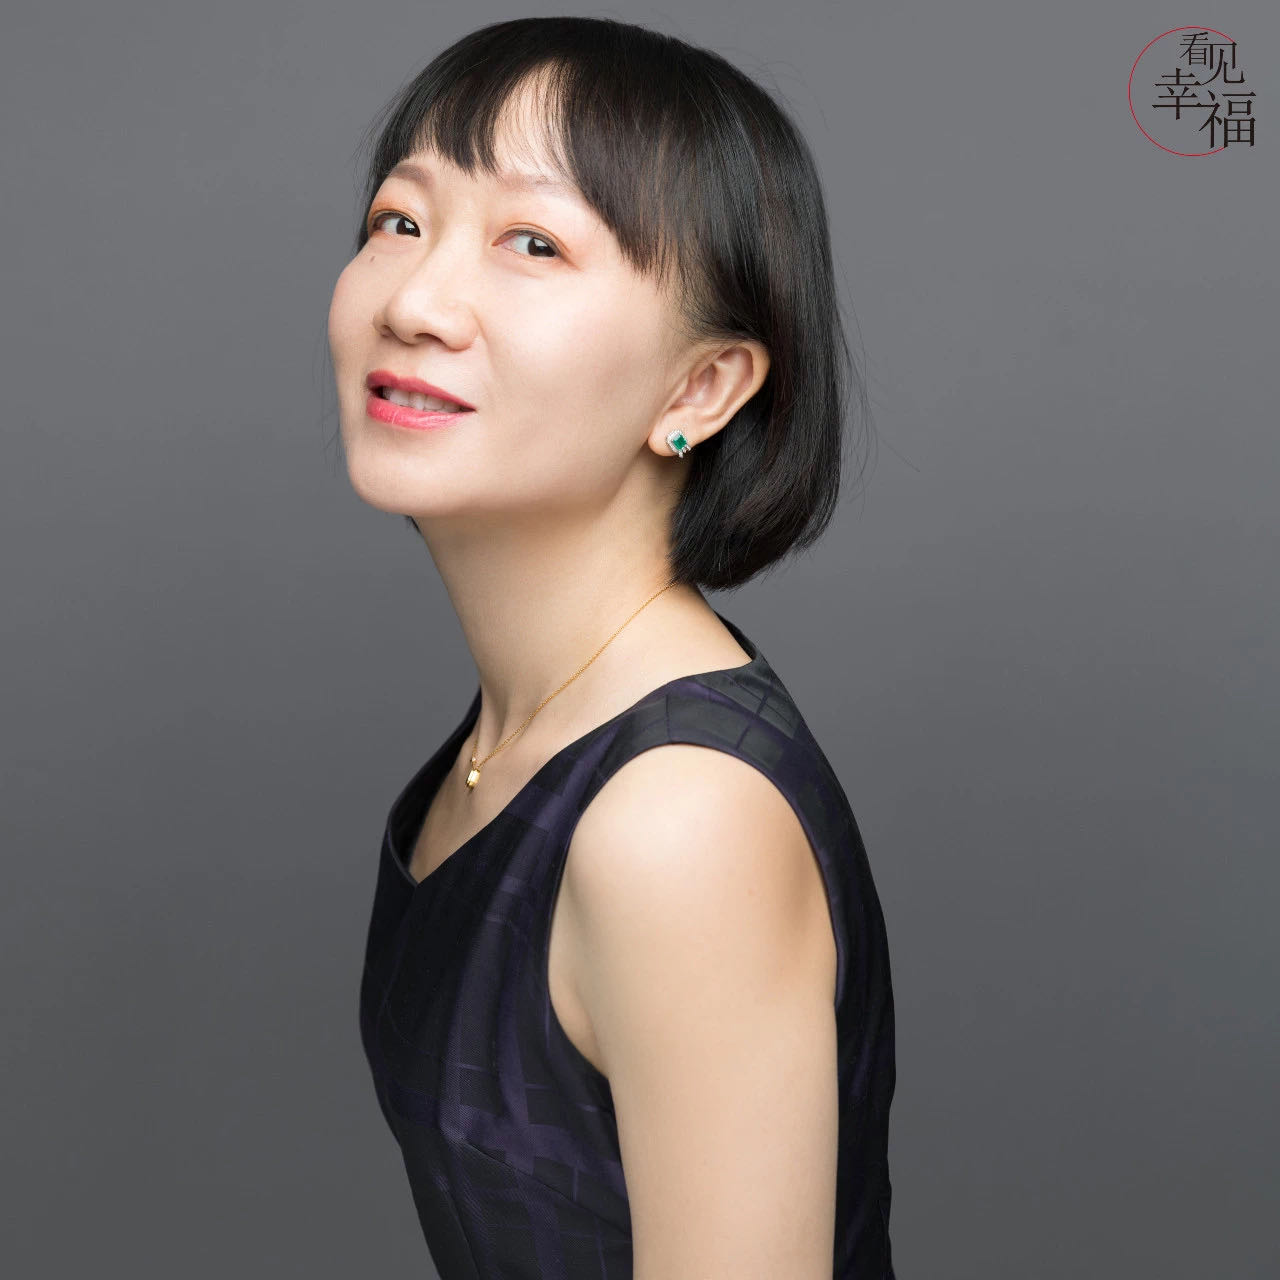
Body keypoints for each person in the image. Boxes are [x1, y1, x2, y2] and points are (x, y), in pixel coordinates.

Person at [330, 16, 895, 1278]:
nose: (413, 302)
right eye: (399, 220)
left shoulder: (675, 816)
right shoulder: (515, 733)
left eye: (532, 242)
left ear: (700, 388)